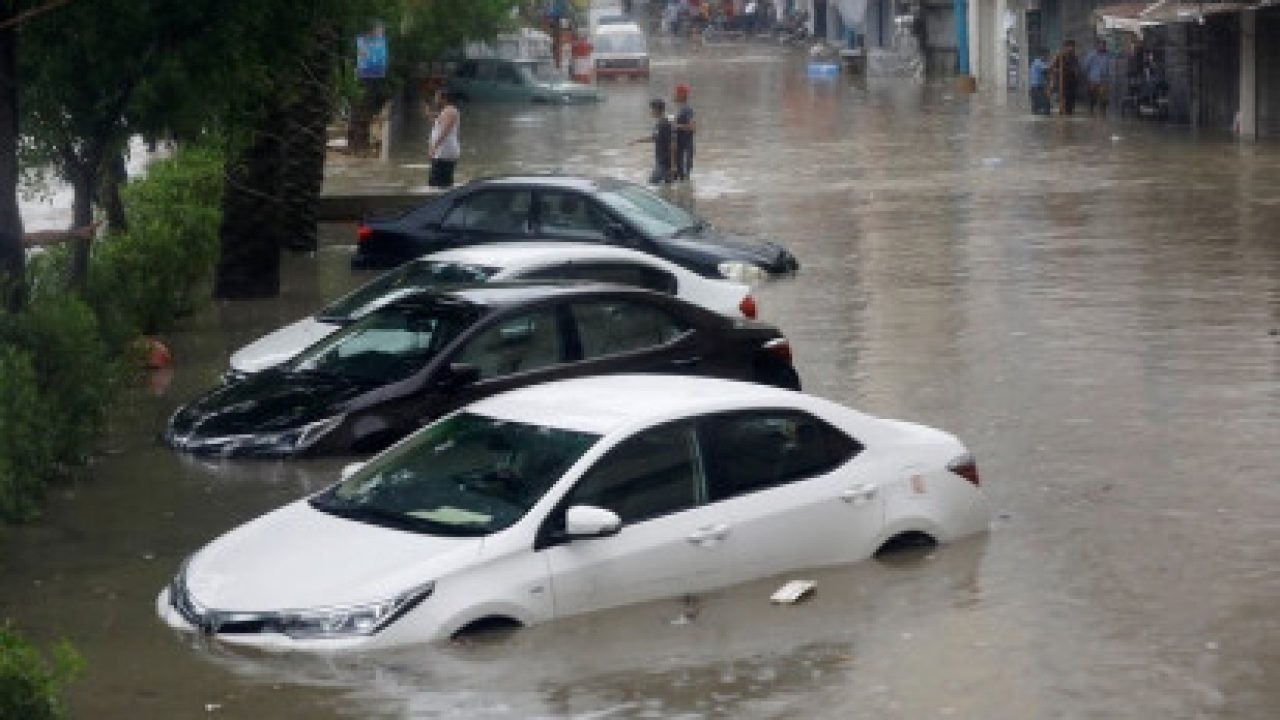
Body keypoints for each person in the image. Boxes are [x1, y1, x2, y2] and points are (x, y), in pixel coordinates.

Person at [632, 98, 675, 185]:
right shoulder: (660, 123)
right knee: (667, 186)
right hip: (662, 160)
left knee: (651, 184)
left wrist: (673, 165)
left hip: (665, 162)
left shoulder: (665, 124)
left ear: (657, 110)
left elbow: (673, 144)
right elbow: (654, 138)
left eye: (652, 109)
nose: (651, 112)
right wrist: (637, 140)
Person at [427, 89, 461, 188]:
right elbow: (439, 124)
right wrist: (430, 115)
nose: (435, 100)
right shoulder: (446, 111)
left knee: (436, 183)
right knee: (440, 183)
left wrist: (434, 147)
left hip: (444, 152)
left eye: (437, 98)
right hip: (443, 152)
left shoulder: (450, 111)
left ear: (444, 99)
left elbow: (445, 131)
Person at [1049, 39, 1081, 116]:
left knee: (1071, 98)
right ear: (1065, 47)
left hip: (1072, 81)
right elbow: (1052, 67)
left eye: (1073, 46)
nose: (1071, 48)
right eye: (1069, 46)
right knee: (1063, 97)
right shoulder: (1060, 56)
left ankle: (1069, 113)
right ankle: (1063, 111)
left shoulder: (1074, 57)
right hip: (1062, 81)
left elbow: (1077, 67)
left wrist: (1076, 72)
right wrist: (1058, 71)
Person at [673, 83, 696, 181]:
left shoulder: (687, 110)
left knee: (684, 176)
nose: (674, 95)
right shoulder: (682, 109)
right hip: (682, 147)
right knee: (681, 175)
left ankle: (685, 195)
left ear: (681, 95)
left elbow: (692, 128)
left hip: (686, 147)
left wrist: (676, 125)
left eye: (676, 93)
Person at [1083, 39, 1110, 115]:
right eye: (1101, 45)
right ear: (1097, 46)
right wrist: (1088, 78)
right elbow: (1086, 66)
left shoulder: (1107, 55)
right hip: (1093, 79)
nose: (1102, 47)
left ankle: (1103, 112)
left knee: (1103, 96)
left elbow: (1109, 67)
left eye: (1104, 45)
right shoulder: (1091, 55)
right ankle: (1091, 111)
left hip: (1103, 80)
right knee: (1092, 96)